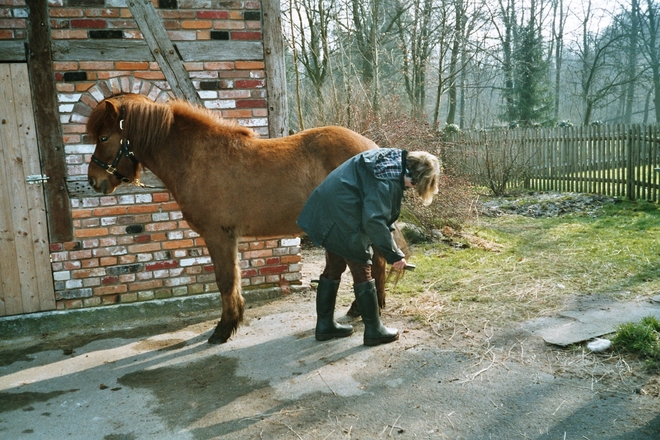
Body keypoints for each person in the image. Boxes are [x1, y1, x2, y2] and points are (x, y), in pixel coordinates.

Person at [297, 148, 441, 346]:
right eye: (413, 185)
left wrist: (391, 248)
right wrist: (394, 256)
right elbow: (374, 220)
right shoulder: (388, 179)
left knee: (334, 266)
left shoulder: (391, 161)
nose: (411, 189)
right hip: (342, 214)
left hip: (330, 209)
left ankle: (325, 325)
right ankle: (374, 330)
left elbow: (379, 212)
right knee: (362, 269)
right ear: (414, 177)